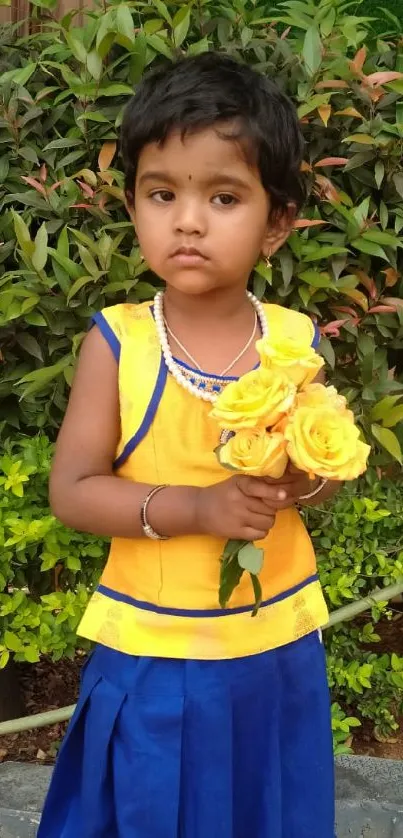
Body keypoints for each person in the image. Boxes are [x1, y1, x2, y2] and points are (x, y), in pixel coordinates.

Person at [37, 51, 339, 838]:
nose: (188, 220)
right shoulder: (120, 344)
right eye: (160, 193)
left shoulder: (291, 342)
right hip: (156, 650)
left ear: (276, 222)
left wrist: (304, 479)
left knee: (263, 804)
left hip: (274, 645)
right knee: (154, 808)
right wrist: (197, 507)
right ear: (132, 203)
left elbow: (318, 481)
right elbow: (72, 490)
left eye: (224, 196)